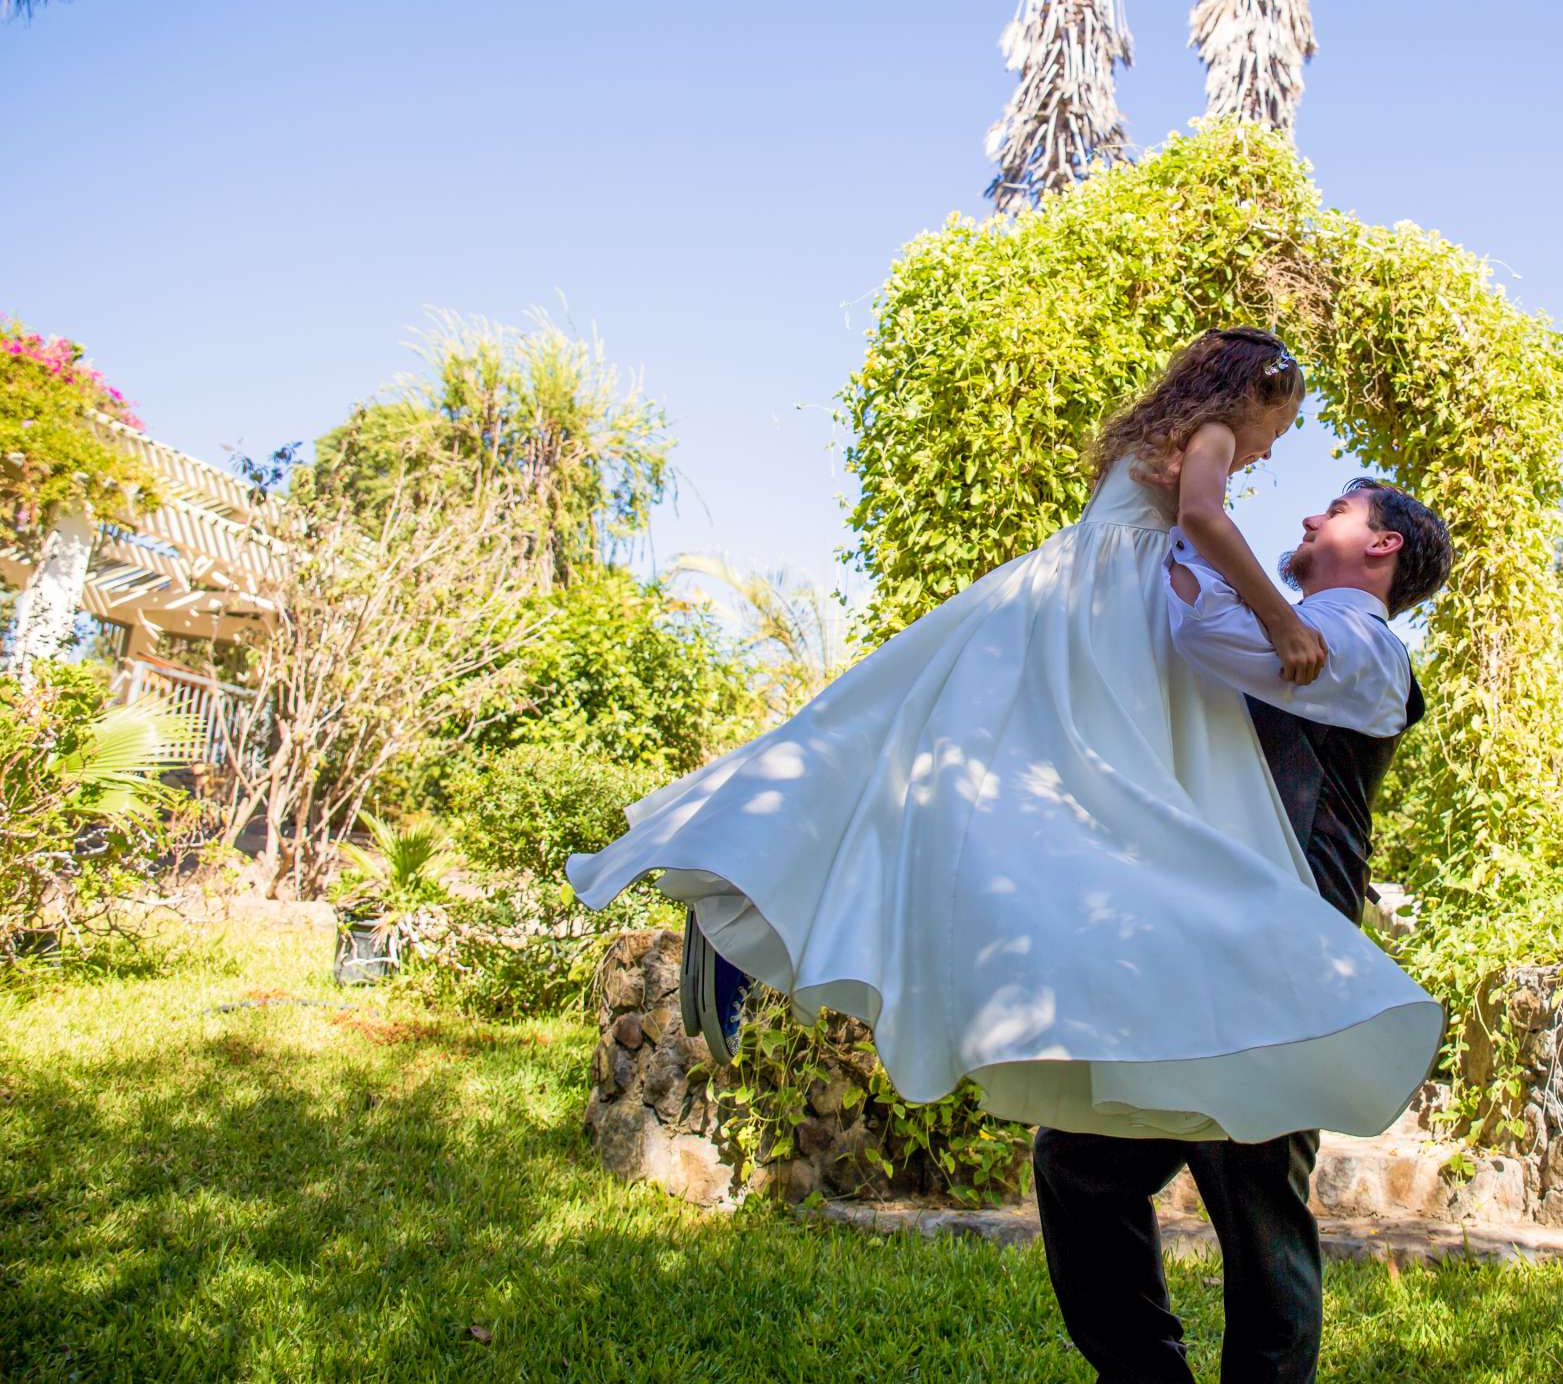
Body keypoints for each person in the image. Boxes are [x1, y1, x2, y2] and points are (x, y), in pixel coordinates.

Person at [564, 327, 1447, 1144]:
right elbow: (1204, 523)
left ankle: (786, 877)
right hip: (1106, 617)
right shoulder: (1210, 436)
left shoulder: (1166, 439)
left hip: (1067, 597)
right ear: (1249, 396)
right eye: (1275, 431)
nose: (1264, 452)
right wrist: (1282, 623)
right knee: (1111, 791)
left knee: (991, 782)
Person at [1032, 476, 1455, 1384]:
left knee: (1259, 1219)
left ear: (1382, 549)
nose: (1308, 518)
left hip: (1276, 973)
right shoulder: (1289, 635)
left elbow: (1203, 626)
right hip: (1185, 961)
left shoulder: (1362, 647)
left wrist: (1190, 514)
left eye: (1336, 512)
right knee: (1078, 1167)